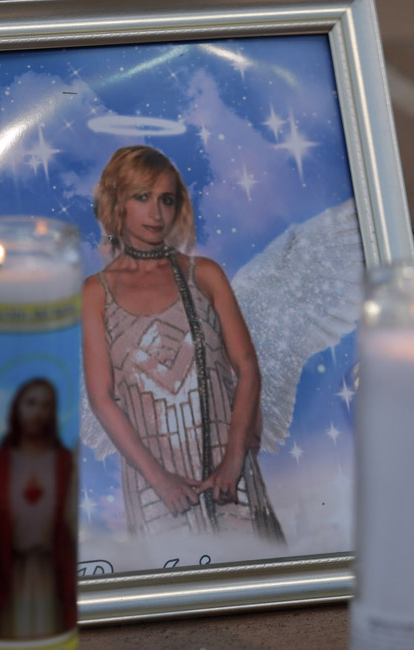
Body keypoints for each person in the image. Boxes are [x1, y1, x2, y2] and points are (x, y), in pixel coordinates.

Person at [82, 145, 284, 543]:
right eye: (142, 198)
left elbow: (247, 370)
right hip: (154, 483)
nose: (157, 213)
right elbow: (101, 398)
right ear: (115, 200)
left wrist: (233, 461)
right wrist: (160, 480)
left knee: (252, 574)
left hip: (227, 470)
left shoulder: (204, 275)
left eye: (167, 199)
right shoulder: (95, 292)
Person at [0, 378, 77, 639]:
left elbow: (72, 524)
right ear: (17, 409)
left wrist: (75, 475)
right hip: (11, 574)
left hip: (50, 573)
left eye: (46, 405)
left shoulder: (64, 462)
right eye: (30, 403)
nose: (38, 412)